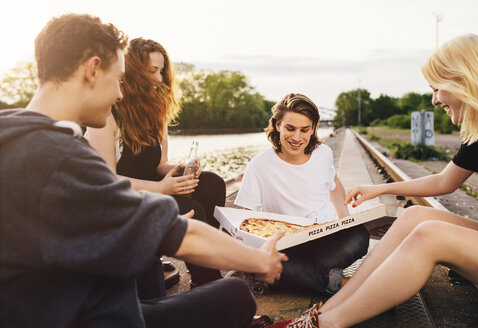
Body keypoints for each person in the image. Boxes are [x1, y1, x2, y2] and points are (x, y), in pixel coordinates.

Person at [0, 13, 288, 328]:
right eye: (116, 78)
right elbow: (184, 236)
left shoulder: (14, 136)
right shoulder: (60, 158)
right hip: (90, 316)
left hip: (59, 299)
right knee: (236, 294)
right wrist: (260, 259)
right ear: (92, 69)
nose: (120, 93)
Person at [267, 34, 478, 328]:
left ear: (465, 80)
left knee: (430, 235)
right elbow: (445, 181)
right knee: (415, 215)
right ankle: (328, 309)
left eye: (437, 88)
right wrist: (380, 189)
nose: (434, 100)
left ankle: (326, 325)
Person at [85, 38, 224, 297]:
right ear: (134, 72)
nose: (159, 79)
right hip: (122, 201)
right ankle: (212, 286)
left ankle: (202, 268)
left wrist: (181, 169)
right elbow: (106, 180)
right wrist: (162, 188)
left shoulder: (156, 110)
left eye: (162, 71)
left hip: (155, 189)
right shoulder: (107, 114)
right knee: (192, 208)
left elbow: (160, 164)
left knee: (212, 183)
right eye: (152, 71)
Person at [235, 93, 370, 295]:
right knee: (270, 263)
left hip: (324, 239)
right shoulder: (259, 165)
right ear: (278, 125)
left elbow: (333, 183)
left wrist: (345, 221)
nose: (297, 138)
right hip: (287, 246)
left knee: (359, 236)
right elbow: (246, 216)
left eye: (304, 129)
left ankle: (307, 278)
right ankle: (328, 280)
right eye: (290, 128)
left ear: (314, 128)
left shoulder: (323, 154)